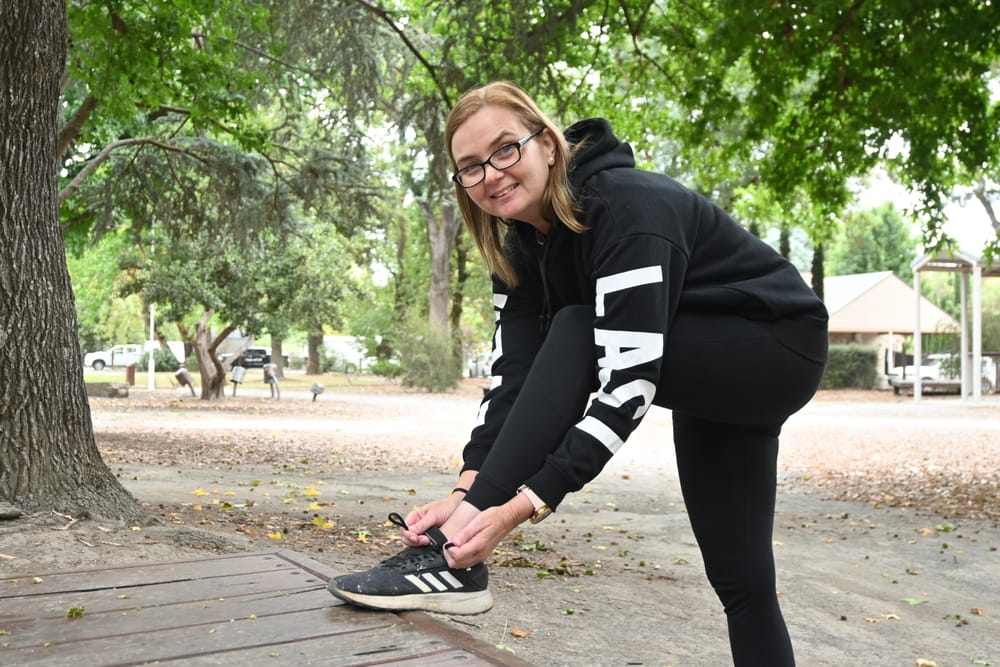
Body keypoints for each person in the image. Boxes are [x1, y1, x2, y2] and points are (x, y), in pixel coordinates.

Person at [328, 81, 829, 666]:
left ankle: (450, 560)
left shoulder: (626, 208)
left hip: (774, 346)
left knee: (576, 326)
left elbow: (627, 383)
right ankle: (453, 552)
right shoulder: (519, 246)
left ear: (547, 143)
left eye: (505, 149)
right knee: (742, 584)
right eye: (470, 167)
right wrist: (467, 488)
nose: (491, 173)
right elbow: (514, 379)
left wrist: (510, 513)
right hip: (706, 374)